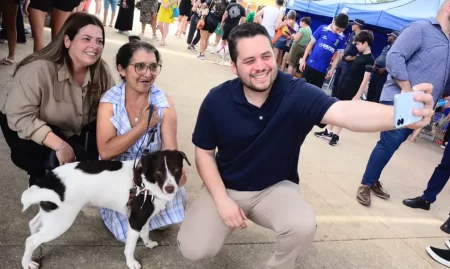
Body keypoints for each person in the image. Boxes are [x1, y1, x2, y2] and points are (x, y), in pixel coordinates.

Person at [176, 22, 434, 269]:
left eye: (266, 56)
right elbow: (204, 153)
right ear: (234, 67)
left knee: (302, 226)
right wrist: (221, 200)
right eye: (249, 60)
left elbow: (344, 112)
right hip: (226, 185)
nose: (261, 66)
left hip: (273, 188)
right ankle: (218, 218)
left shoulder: (296, 92)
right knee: (193, 249)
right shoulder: (217, 100)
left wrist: (403, 114)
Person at [0, 12, 115, 187]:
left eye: (99, 41)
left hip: (74, 128)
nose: (95, 46)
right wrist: (60, 146)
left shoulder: (102, 71)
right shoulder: (37, 70)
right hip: (29, 125)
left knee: (95, 164)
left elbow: (112, 111)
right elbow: (19, 116)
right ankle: (38, 174)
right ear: (67, 41)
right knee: (31, 152)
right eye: (86, 39)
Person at [356, 0, 450, 207]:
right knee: (389, 143)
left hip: (420, 106)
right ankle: (365, 184)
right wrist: (407, 90)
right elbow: (395, 57)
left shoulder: (447, 41)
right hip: (403, 99)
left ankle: (372, 179)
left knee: (392, 144)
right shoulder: (421, 29)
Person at [96, 40, 187, 243]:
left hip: (153, 175)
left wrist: (175, 175)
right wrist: (142, 126)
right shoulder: (109, 102)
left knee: (165, 207)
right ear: (121, 69)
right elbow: (106, 151)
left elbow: (170, 152)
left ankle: (154, 213)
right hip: (118, 176)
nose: (148, 74)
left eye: (153, 66)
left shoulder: (164, 103)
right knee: (125, 234)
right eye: (139, 66)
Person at [314, 30, 375, 146]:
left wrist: (358, 95)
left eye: (358, 44)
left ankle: (336, 135)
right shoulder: (359, 54)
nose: (356, 46)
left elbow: (365, 79)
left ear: (365, 43)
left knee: (344, 112)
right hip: (345, 84)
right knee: (336, 106)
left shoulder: (370, 59)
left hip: (353, 89)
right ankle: (328, 131)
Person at [299, 13, 348, 89]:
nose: (338, 32)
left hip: (322, 70)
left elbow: (338, 56)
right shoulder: (322, 28)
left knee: (315, 93)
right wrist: (303, 59)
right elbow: (310, 44)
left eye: (341, 30)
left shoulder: (342, 38)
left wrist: (332, 69)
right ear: (333, 22)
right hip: (310, 65)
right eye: (337, 29)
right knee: (301, 88)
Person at [331, 18, 364, 97]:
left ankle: (337, 99)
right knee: (335, 81)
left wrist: (352, 58)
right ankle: (332, 97)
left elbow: (363, 54)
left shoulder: (362, 37)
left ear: (357, 26)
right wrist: (342, 52)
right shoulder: (351, 34)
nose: (352, 26)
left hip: (349, 63)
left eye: (353, 24)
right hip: (342, 59)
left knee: (341, 82)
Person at [366, 31, 399, 103]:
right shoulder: (387, 47)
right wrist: (375, 64)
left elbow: (395, 63)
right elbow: (379, 56)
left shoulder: (397, 50)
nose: (388, 37)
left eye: (390, 36)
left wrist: (385, 69)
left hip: (384, 76)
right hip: (376, 72)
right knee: (370, 92)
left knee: (378, 94)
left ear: (395, 38)